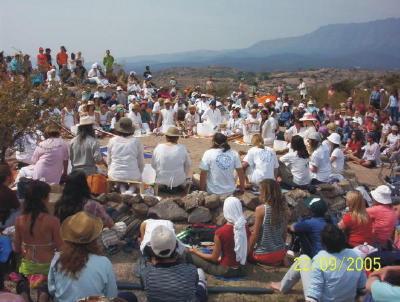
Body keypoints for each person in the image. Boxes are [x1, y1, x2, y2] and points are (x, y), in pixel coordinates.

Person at [48, 212, 137, 302]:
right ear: (94, 239)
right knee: (130, 297)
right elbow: (111, 295)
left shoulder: (57, 258)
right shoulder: (103, 262)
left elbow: (52, 290)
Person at [270, 224, 367, 302]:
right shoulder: (355, 255)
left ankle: (282, 286)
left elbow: (314, 292)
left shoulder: (320, 258)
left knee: (303, 258)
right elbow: (362, 287)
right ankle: (282, 286)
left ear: (324, 243)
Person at [13, 181, 63, 302]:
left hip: (27, 265)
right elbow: (61, 247)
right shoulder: (53, 221)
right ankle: (44, 293)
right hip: (47, 266)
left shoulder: (19, 220)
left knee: (22, 279)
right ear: (44, 198)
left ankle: (24, 292)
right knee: (48, 283)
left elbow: (16, 248)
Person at [140, 225, 207, 302]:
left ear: (152, 249)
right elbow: (194, 285)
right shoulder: (191, 270)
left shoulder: (145, 273)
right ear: (176, 246)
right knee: (200, 272)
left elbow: (143, 288)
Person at [188, 197, 250, 277]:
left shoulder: (220, 232)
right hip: (242, 268)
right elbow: (245, 249)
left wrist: (196, 252)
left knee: (192, 256)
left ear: (226, 210)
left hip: (226, 270)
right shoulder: (245, 227)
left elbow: (214, 258)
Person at [249, 180, 289, 265]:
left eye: (260, 191)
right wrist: (282, 252)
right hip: (280, 254)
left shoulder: (261, 209)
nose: (259, 193)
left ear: (265, 193)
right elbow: (284, 234)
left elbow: (255, 235)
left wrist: (248, 253)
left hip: (263, 255)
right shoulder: (284, 209)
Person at [107, 117, 144, 194]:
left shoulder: (112, 141)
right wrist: (139, 172)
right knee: (136, 180)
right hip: (132, 174)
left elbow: (109, 161)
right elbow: (141, 162)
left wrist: (111, 170)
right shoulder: (137, 141)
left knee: (119, 178)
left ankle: (122, 189)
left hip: (115, 173)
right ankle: (130, 191)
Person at [0, 164, 20, 229]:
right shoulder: (8, 192)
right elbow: (17, 206)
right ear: (8, 177)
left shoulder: (8, 191)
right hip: (3, 222)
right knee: (21, 210)